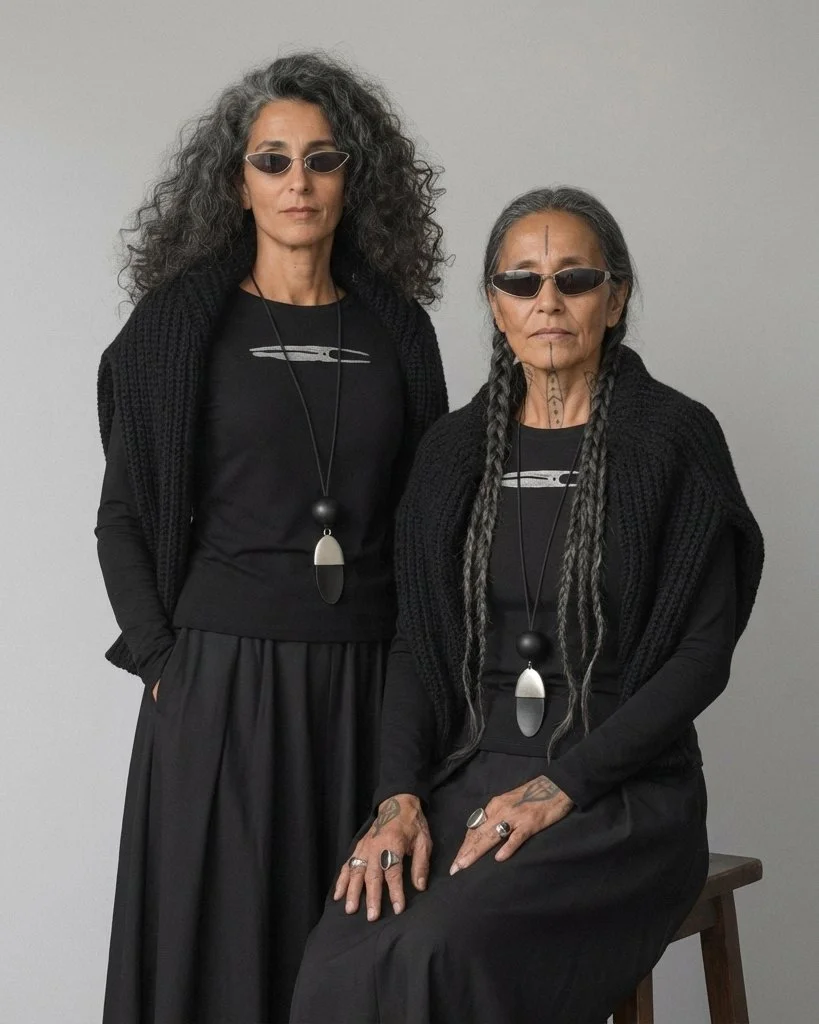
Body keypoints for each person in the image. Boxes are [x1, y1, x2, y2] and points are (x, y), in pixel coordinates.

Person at [290, 186, 764, 1024]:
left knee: (441, 950)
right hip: (471, 774)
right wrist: (397, 799)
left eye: (574, 279)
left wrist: (564, 785)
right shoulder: (451, 452)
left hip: (618, 790)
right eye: (521, 281)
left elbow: (701, 656)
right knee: (339, 957)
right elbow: (415, 646)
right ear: (494, 303)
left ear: (614, 299)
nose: (547, 301)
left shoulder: (673, 440)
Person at [95, 51, 448, 1024]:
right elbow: (123, 516)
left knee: (352, 960)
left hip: (367, 686)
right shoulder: (177, 329)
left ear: (355, 179)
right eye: (273, 160)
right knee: (216, 962)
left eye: (323, 159)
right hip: (223, 687)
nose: (299, 181)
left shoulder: (399, 333)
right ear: (236, 181)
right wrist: (167, 665)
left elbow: (429, 533)